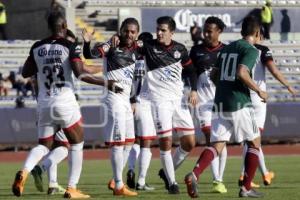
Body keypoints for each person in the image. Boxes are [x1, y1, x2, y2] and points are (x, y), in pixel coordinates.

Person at [11, 11, 121, 198]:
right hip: (64, 101)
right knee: (77, 143)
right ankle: (72, 188)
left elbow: (25, 72)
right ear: (63, 27)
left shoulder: (37, 46)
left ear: (49, 27)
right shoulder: (70, 45)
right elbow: (80, 74)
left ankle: (25, 171)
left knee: (44, 145)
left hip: (44, 103)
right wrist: (106, 83)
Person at [184, 15, 267, 198]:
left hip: (220, 103)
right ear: (256, 32)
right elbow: (242, 73)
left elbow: (214, 75)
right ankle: (246, 188)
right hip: (239, 103)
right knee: (254, 142)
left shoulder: (228, 48)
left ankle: (194, 174)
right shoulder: (251, 50)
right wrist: (259, 91)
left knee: (217, 145)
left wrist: (224, 87)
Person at [83, 18, 140, 197]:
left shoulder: (137, 47)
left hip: (126, 100)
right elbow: (91, 55)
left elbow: (150, 41)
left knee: (130, 142)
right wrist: (87, 42)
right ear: (121, 30)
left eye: (133, 32)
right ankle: (118, 185)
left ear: (136, 33)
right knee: (118, 144)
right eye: (126, 31)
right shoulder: (111, 45)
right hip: (114, 98)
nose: (129, 35)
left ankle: (116, 180)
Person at [238, 27, 297, 188]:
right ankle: (250, 174)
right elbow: (274, 71)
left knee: (249, 140)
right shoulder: (262, 50)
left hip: (241, 98)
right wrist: (288, 86)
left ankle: (259, 173)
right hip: (258, 98)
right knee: (254, 141)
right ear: (259, 35)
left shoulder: (237, 49)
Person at [189, 16, 227, 193]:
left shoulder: (227, 51)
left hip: (221, 103)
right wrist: (193, 90)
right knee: (212, 139)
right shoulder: (196, 50)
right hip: (203, 104)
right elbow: (190, 72)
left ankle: (218, 180)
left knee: (221, 141)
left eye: (210, 31)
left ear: (219, 31)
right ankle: (215, 180)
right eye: (205, 30)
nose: (206, 34)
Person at [126, 32, 156, 191]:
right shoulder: (152, 61)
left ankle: (131, 169)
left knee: (135, 141)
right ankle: (141, 181)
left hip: (130, 104)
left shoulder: (131, 59)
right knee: (146, 144)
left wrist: (130, 100)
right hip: (145, 104)